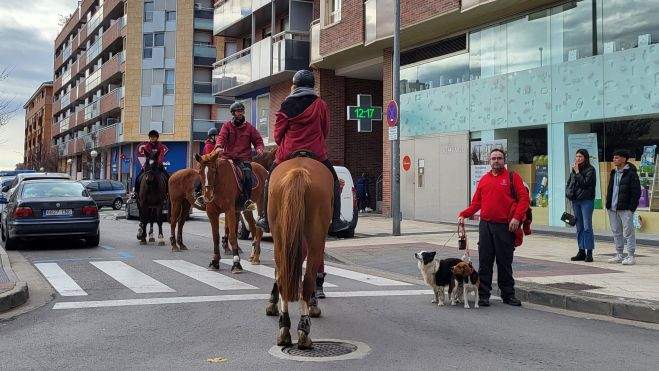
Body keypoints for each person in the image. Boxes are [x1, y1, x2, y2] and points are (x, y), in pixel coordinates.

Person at [255, 69, 350, 234]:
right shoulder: (320, 104)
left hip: (288, 153)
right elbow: (325, 130)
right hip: (316, 152)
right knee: (333, 180)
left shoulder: (286, 104)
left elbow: (278, 135)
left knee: (269, 180)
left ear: (294, 85)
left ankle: (264, 218)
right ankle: (335, 220)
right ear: (312, 85)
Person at [458, 148, 529, 307]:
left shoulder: (513, 178)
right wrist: (464, 214)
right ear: (489, 161)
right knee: (485, 261)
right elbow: (476, 203)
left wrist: (517, 217)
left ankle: (508, 295)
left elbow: (524, 199)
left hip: (505, 226)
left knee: (504, 262)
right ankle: (483, 295)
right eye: (493, 158)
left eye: (499, 158)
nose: (496, 161)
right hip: (486, 226)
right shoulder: (484, 180)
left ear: (504, 160)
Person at [210, 101, 264, 211]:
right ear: (233, 113)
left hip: (243, 158)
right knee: (209, 169)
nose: (240, 113)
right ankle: (202, 195)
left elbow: (258, 140)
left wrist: (259, 148)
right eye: (238, 111)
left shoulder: (250, 128)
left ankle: (247, 200)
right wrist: (219, 146)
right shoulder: (227, 126)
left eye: (242, 111)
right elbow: (221, 137)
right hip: (227, 158)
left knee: (248, 175)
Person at [606, 149, 641, 266]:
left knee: (628, 232)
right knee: (616, 232)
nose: (614, 159)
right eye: (614, 157)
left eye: (617, 157)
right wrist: (608, 204)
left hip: (625, 208)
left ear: (624, 159)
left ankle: (631, 256)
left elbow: (636, 192)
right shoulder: (613, 172)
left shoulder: (631, 173)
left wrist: (631, 208)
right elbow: (611, 190)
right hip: (612, 208)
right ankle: (619, 254)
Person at [566, 149, 597, 262]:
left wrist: (578, 172)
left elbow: (585, 183)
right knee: (579, 227)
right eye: (577, 156)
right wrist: (568, 192)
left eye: (580, 156)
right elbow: (570, 183)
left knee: (587, 226)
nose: (578, 158)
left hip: (586, 201)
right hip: (576, 201)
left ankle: (589, 252)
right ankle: (581, 250)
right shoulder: (574, 170)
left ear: (585, 157)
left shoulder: (591, 170)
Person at [133, 130, 169, 198]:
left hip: (158, 165)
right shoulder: (147, 146)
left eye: (154, 137)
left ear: (157, 138)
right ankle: (136, 192)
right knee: (138, 177)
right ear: (149, 138)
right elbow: (147, 155)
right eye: (151, 137)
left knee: (167, 176)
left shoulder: (160, 146)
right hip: (149, 165)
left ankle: (167, 193)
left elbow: (161, 155)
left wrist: (159, 163)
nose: (152, 138)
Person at [194, 127, 218, 209]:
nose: (217, 137)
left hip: (213, 163)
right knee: (204, 175)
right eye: (215, 136)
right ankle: (197, 192)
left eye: (217, 136)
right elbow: (210, 156)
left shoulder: (216, 144)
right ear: (211, 137)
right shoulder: (208, 145)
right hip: (206, 163)